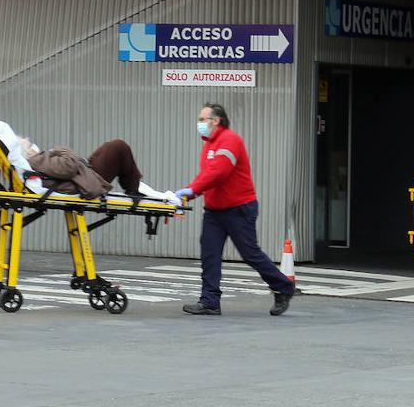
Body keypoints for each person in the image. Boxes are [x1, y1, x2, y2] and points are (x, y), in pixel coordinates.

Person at [174, 103, 294, 317]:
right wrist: (190, 191)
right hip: (215, 211)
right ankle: (210, 301)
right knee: (210, 254)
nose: (199, 123)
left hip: (238, 208)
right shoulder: (209, 145)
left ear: (216, 120)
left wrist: (191, 190)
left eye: (202, 119)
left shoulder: (229, 140)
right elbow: (207, 175)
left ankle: (283, 287)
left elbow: (219, 172)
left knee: (250, 253)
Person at [18, 136, 178, 202]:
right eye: (29, 144)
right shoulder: (36, 160)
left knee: (112, 148)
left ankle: (133, 185)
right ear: (26, 152)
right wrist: (59, 149)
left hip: (85, 173)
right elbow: (69, 166)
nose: (33, 144)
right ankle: (133, 188)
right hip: (88, 179)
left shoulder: (36, 161)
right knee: (118, 146)